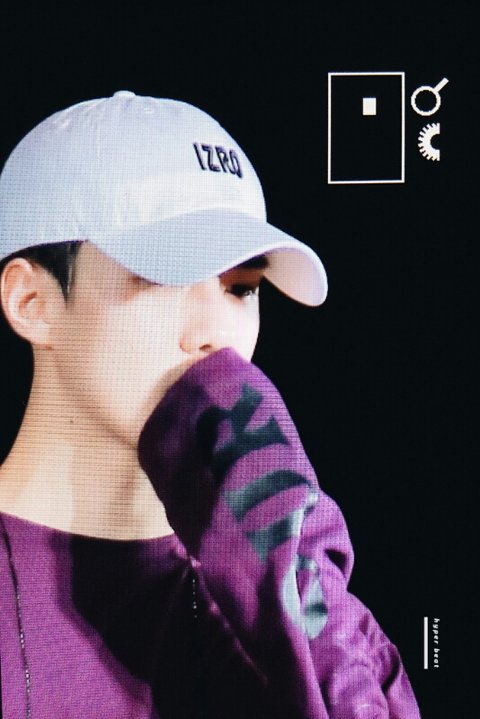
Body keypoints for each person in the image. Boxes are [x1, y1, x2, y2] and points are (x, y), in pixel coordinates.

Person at [0, 91, 421, 718]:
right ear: (32, 303)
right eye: (163, 276)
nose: (216, 335)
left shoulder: (271, 604)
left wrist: (282, 538)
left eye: (239, 288)